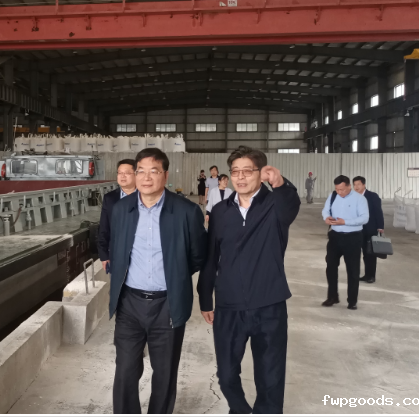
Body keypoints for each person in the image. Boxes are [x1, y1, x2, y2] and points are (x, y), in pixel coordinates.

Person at [198, 146, 300, 414]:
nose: (240, 177)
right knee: (226, 374)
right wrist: (205, 296)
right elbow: (211, 256)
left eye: (247, 171)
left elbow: (291, 202)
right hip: (229, 305)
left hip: (269, 304)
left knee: (270, 376)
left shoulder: (275, 205)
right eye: (235, 172)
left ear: (261, 173)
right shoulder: (220, 211)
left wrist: (280, 182)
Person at [109, 148, 206, 414]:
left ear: (165, 175)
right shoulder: (121, 209)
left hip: (168, 304)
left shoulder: (186, 211)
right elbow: (117, 249)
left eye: (154, 171)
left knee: (164, 373)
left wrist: (175, 275)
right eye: (141, 171)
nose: (146, 177)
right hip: (129, 303)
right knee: (125, 370)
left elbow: (198, 256)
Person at [321, 175, 369, 310]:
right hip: (335, 237)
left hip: (353, 238)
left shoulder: (360, 199)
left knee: (353, 270)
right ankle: (332, 296)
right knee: (331, 267)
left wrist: (345, 222)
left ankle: (352, 301)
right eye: (337, 189)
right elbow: (325, 210)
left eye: (342, 189)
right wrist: (326, 217)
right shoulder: (332, 196)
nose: (339, 192)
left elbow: (365, 218)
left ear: (349, 186)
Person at [98, 159, 137, 272]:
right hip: (116, 255)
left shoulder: (145, 197)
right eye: (120, 173)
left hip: (140, 254)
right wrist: (104, 255)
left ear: (136, 175)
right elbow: (104, 228)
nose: (122, 176)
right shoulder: (109, 198)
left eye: (127, 173)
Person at [353, 176, 384, 284]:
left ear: (364, 185)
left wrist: (380, 226)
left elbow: (378, 211)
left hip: (370, 229)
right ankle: (366, 275)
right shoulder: (353, 197)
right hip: (358, 229)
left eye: (358, 184)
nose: (356, 187)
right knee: (361, 253)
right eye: (354, 185)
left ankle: (371, 276)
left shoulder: (372, 196)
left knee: (370, 253)